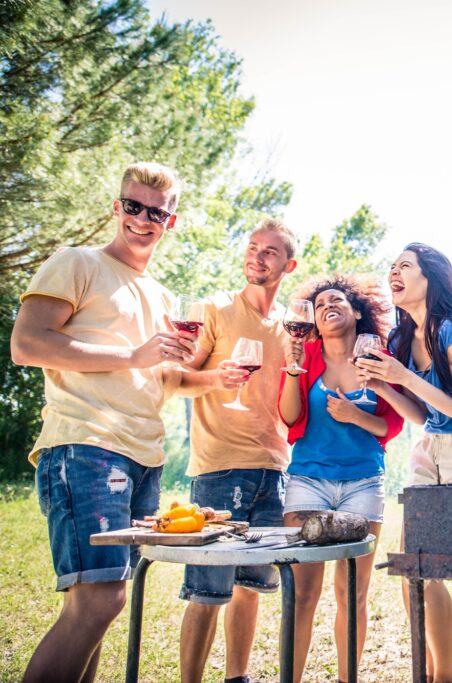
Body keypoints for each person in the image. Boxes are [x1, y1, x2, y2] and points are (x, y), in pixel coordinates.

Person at [10, 162, 238, 683]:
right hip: (86, 445)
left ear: (170, 221)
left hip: (143, 458)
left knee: (99, 606)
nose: (142, 218)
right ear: (117, 208)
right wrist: (134, 356)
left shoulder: (159, 296)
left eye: (156, 212)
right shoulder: (77, 263)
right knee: (99, 601)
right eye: (132, 206)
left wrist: (214, 380)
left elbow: (164, 379)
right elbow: (27, 344)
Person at [355, 243, 452, 683]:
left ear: (430, 278)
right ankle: (439, 676)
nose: (394, 273)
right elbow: (423, 415)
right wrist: (384, 387)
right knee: (414, 568)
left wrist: (405, 377)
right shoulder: (402, 339)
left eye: (405, 266)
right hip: (430, 449)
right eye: (391, 267)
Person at [177, 219, 299, 683]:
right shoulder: (216, 309)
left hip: (274, 469)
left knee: (251, 588)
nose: (257, 256)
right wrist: (214, 379)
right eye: (252, 247)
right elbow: (176, 379)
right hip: (220, 469)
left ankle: (237, 678)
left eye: (270, 251)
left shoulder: (292, 325)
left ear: (288, 265)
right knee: (207, 591)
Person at [278, 274, 408, 683]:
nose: (326, 306)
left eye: (336, 300)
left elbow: (393, 423)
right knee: (302, 595)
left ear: (356, 311)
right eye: (318, 305)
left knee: (351, 594)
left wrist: (356, 416)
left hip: (363, 483)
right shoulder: (307, 353)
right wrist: (294, 370)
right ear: (313, 320)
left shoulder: (378, 355)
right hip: (307, 482)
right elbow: (288, 416)